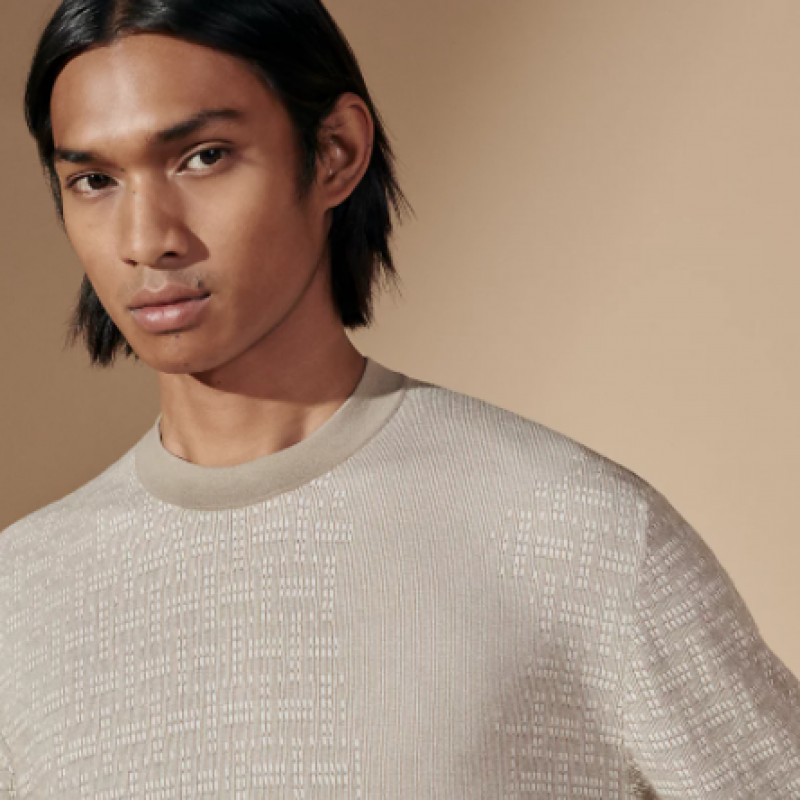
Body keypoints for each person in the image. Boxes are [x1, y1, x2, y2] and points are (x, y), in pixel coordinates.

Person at [2, 0, 798, 796]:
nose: (146, 239)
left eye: (203, 157)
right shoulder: (21, 597)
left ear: (336, 152)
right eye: (94, 180)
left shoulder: (571, 532)